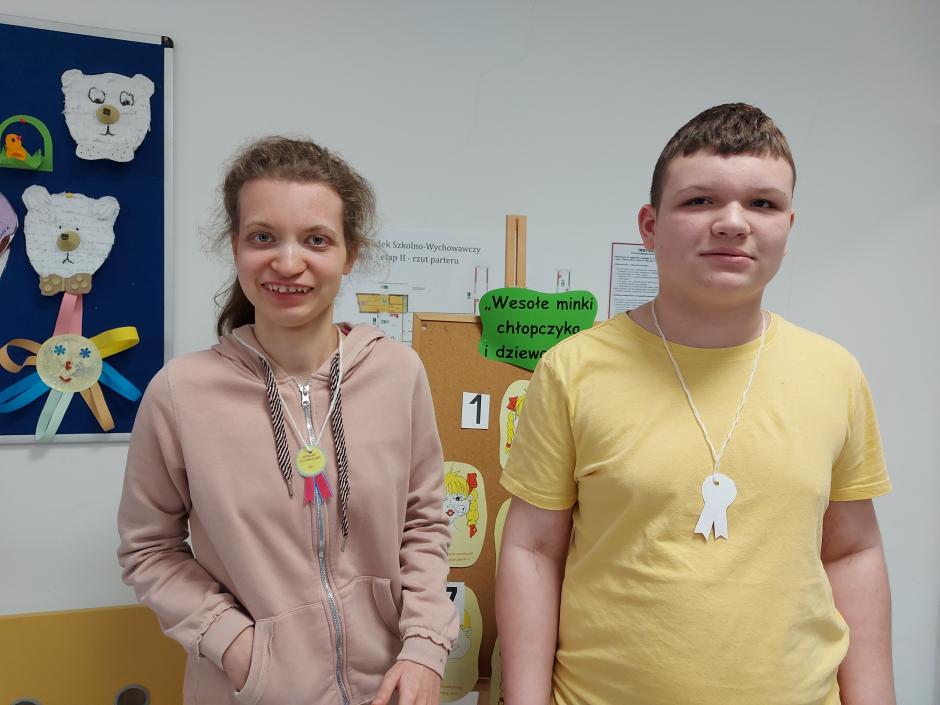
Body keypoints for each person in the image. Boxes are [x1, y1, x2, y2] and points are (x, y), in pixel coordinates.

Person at [495, 104, 895, 705]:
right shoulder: (571, 370)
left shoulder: (835, 373)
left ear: (788, 226)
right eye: (700, 200)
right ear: (651, 226)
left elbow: (853, 551)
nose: (732, 223)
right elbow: (532, 549)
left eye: (762, 203)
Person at [117, 137, 457, 705]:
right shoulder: (180, 393)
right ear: (235, 246)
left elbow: (423, 522)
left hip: (388, 689)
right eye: (263, 237)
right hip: (249, 693)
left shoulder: (398, 373)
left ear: (350, 253)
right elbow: (148, 550)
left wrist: (425, 646)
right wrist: (239, 648)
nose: (288, 262)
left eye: (316, 240)